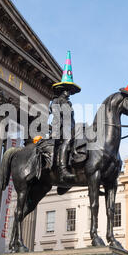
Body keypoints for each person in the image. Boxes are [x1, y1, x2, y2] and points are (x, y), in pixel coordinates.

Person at [50, 51, 81, 183]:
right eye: (66, 90)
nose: (68, 93)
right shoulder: (56, 101)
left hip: (70, 128)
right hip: (60, 129)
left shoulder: (69, 103)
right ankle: (62, 169)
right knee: (67, 140)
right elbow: (56, 115)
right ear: (61, 90)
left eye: (70, 91)